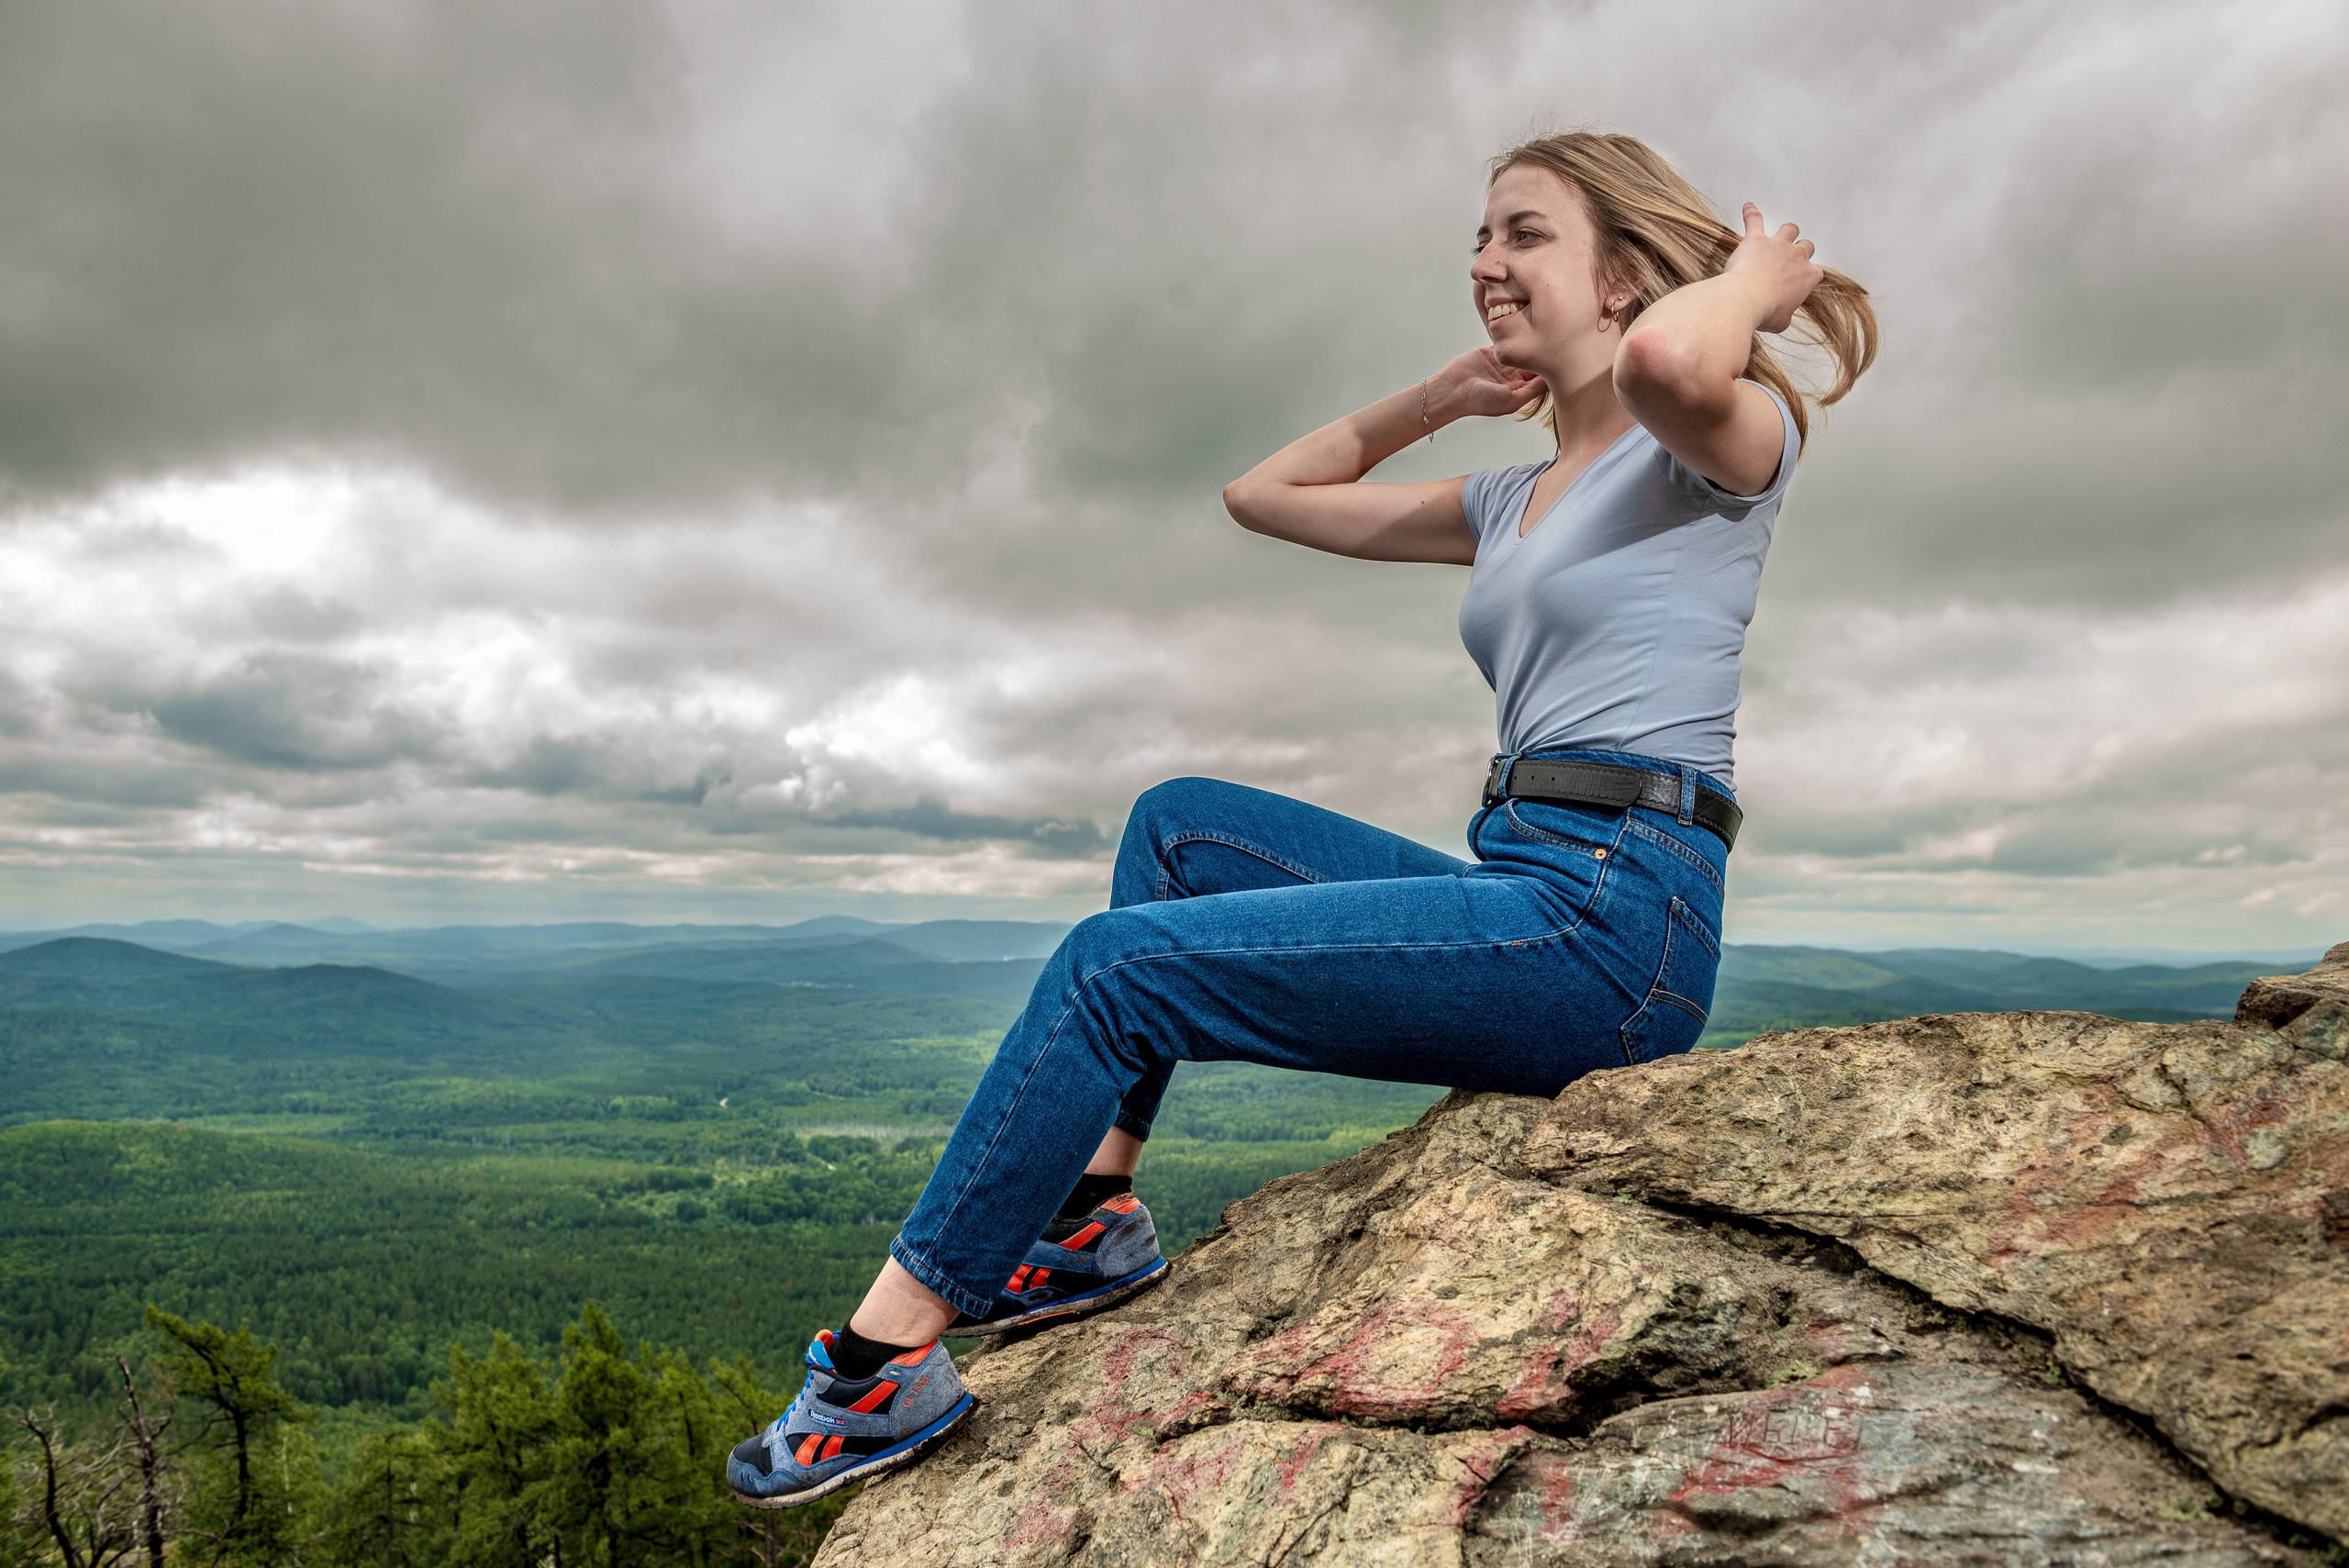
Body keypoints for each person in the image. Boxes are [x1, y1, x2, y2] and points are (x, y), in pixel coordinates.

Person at [726, 129, 1877, 1508]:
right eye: (1478, 237)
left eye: (1522, 234)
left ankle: (875, 1365)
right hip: (1522, 867)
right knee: (1176, 827)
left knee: (1114, 967)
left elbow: (1674, 365)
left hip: (1620, 918)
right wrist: (1443, 395)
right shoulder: (1510, 498)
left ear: (1625, 273)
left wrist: (1755, 279)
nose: (1483, 263)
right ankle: (1092, 1221)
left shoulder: (1715, 445)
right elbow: (1265, 496)